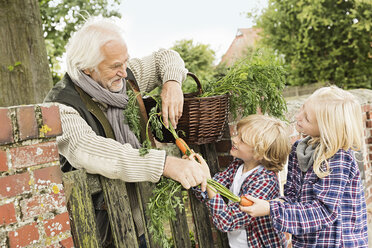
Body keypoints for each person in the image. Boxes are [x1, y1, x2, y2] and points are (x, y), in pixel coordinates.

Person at [44, 16, 207, 247]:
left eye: (125, 61)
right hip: (98, 232)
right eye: (114, 66)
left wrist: (172, 83)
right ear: (87, 68)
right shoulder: (60, 106)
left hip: (140, 221)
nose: (124, 71)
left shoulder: (127, 78)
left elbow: (166, 57)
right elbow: (92, 151)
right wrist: (165, 164)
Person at [240, 86, 369, 247]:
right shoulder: (299, 149)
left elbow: (323, 212)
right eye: (302, 107)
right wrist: (270, 204)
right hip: (307, 241)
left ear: (325, 129)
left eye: (307, 118)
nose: (298, 116)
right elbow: (292, 196)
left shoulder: (338, 159)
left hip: (337, 243)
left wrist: (271, 209)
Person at [190, 114, 291, 247]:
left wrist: (207, 179)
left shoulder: (265, 181)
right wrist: (198, 173)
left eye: (241, 140)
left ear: (259, 153)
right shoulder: (238, 165)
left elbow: (227, 221)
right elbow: (203, 193)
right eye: (237, 134)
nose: (234, 139)